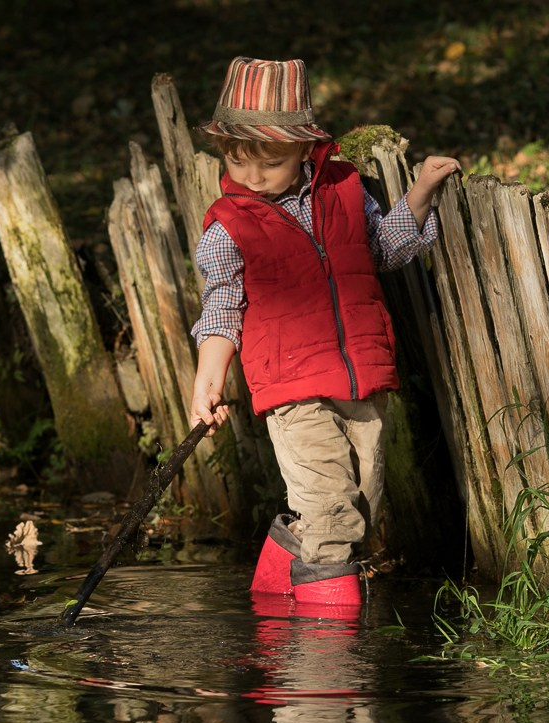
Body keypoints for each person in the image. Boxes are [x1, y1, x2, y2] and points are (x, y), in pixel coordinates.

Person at [188, 56, 459, 609]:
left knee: (361, 503)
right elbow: (221, 308)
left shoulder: (344, 189)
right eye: (240, 163)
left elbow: (384, 249)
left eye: (269, 162)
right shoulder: (229, 227)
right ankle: (325, 664)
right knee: (333, 518)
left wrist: (423, 190)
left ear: (305, 149)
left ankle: (273, 599)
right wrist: (208, 379)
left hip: (362, 376)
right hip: (291, 389)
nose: (253, 177)